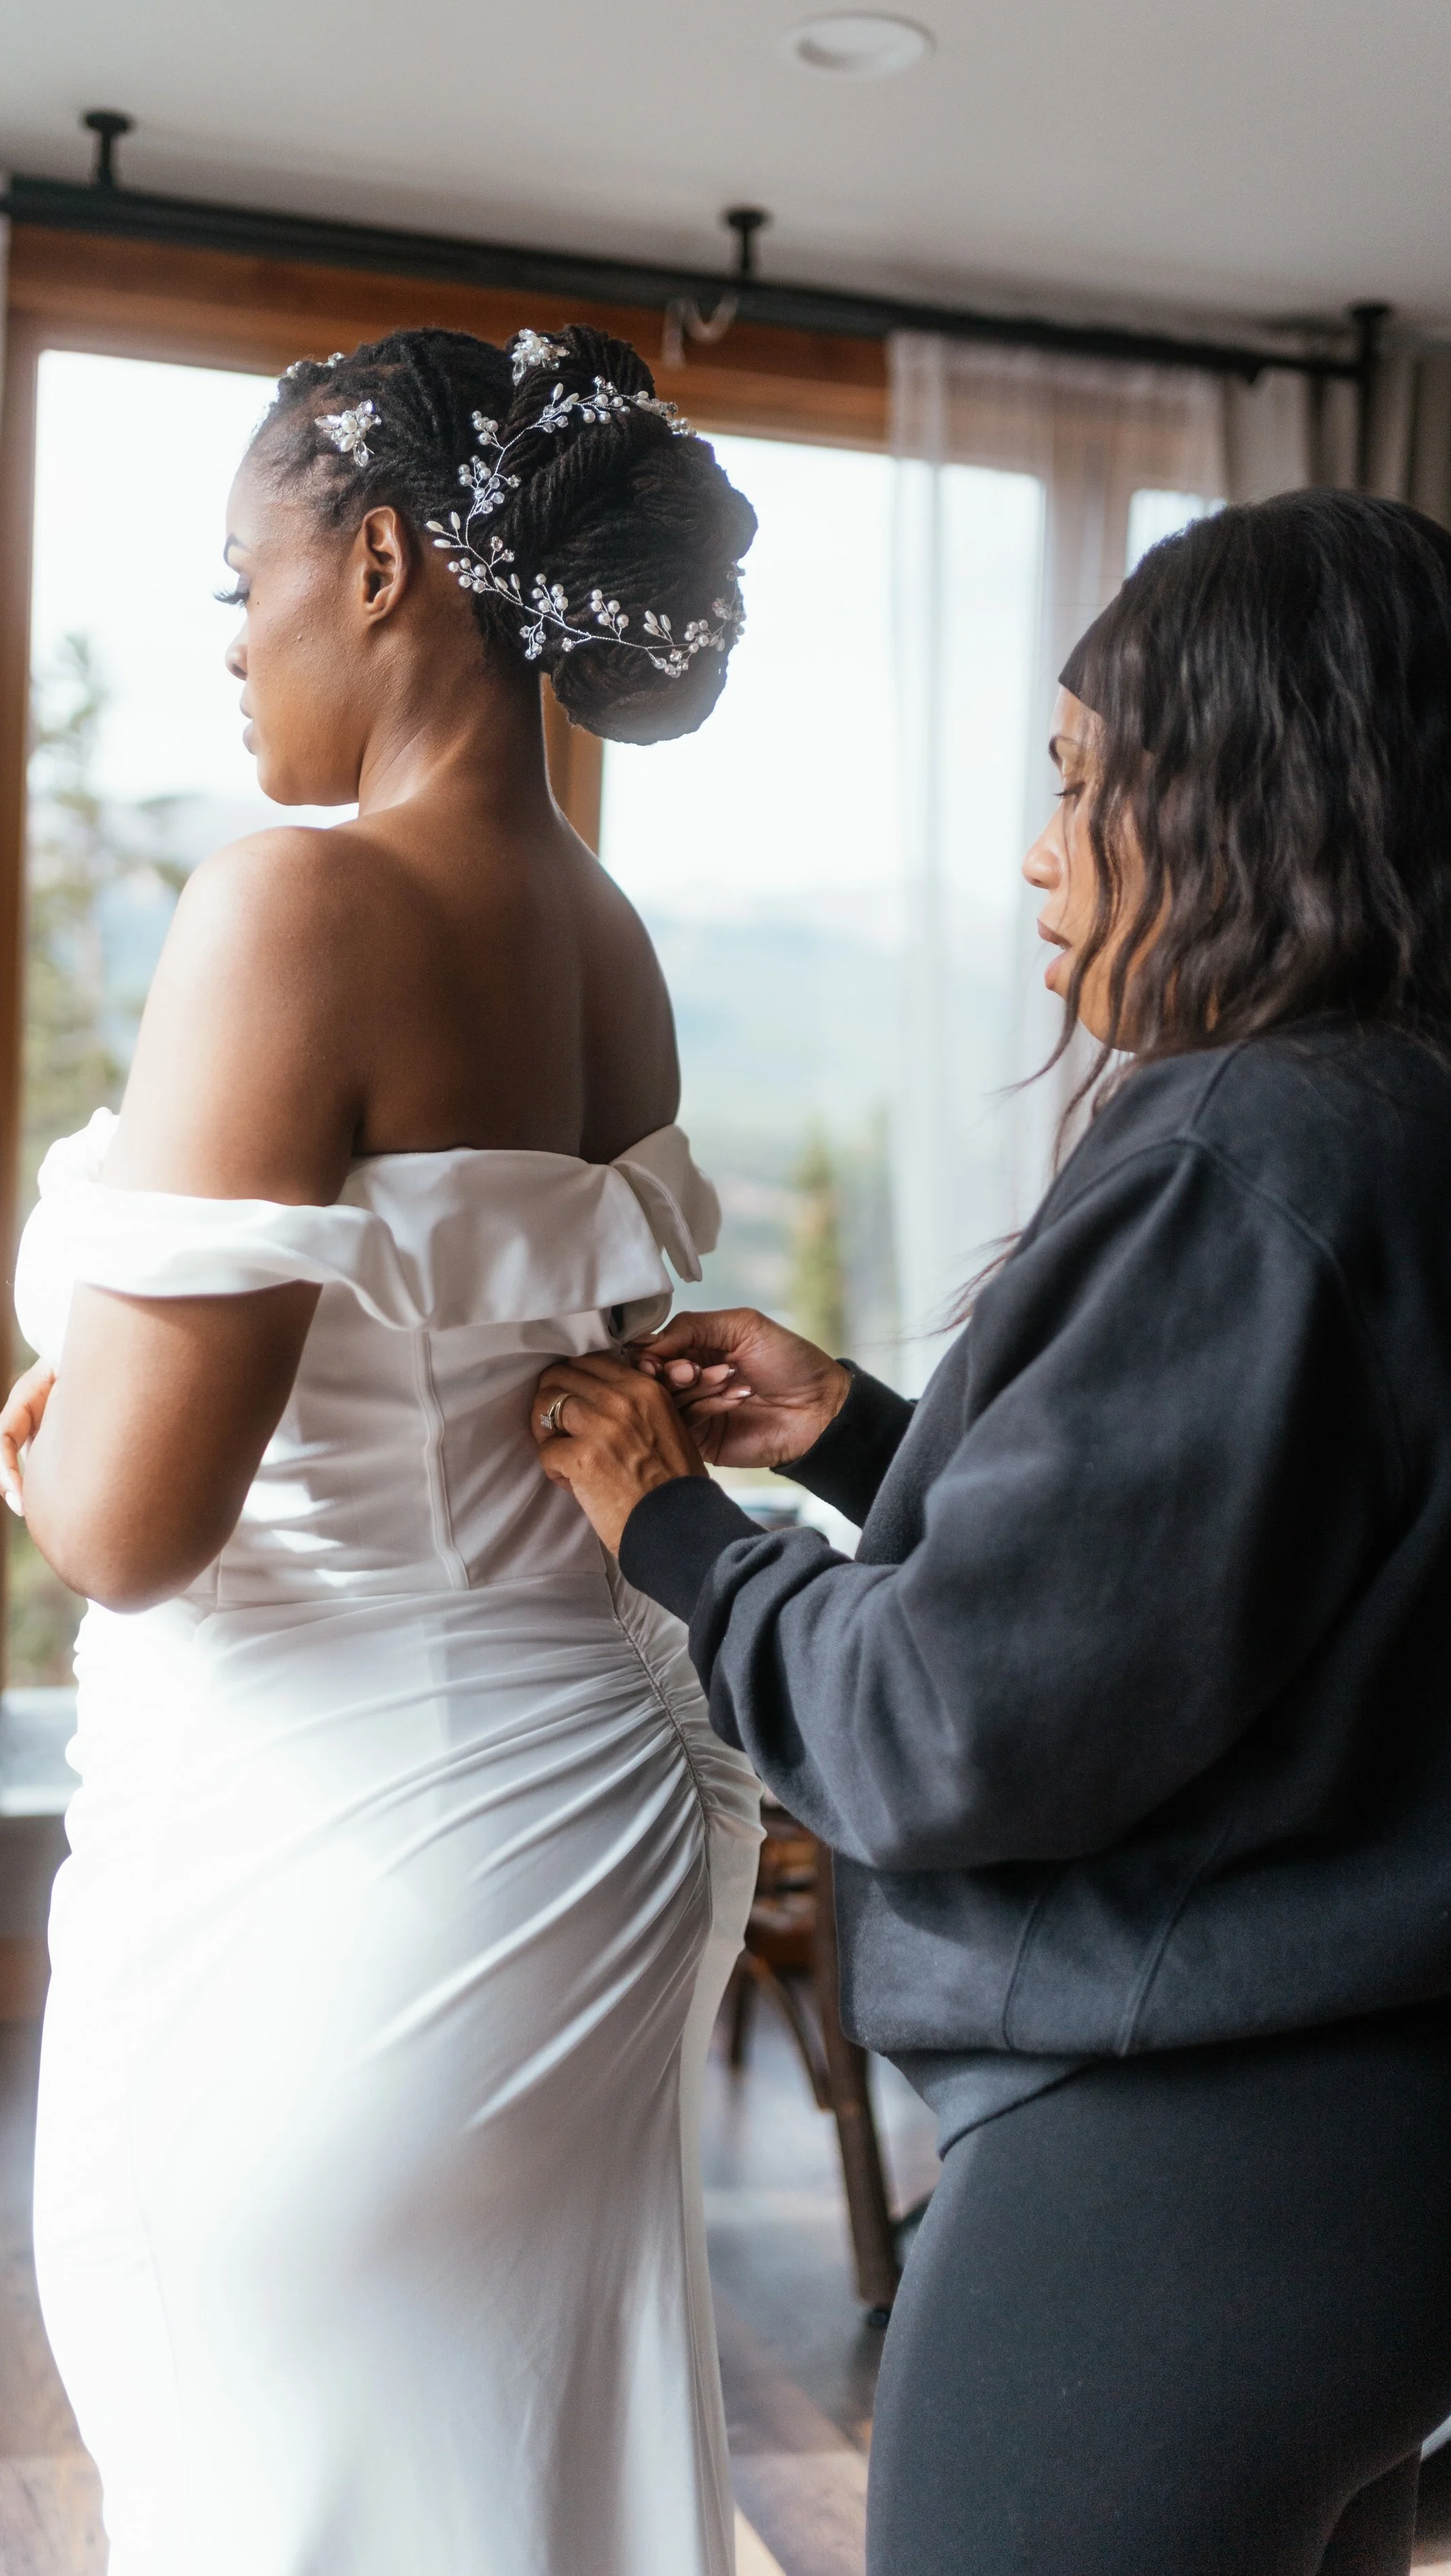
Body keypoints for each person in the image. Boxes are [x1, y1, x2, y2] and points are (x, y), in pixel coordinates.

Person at [532, 490, 1451, 2575]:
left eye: (1078, 783)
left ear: (1254, 792)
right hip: (1364, 2160)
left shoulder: (1254, 1143)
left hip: (1181, 2167)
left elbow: (944, 1726)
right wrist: (858, 1434)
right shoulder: (1398, 1123)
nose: (1041, 853)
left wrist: (675, 1533)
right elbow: (1255, 1587)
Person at [0, 324, 763, 2576]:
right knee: (511, 2473)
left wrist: (43, 1447)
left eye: (247, 581)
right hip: (595, 1812)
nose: (231, 646)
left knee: (290, 2490)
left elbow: (132, 1525)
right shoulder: (603, 938)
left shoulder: (294, 901)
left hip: (347, 1860)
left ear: (389, 561)